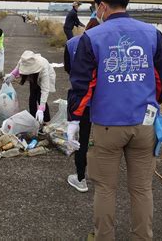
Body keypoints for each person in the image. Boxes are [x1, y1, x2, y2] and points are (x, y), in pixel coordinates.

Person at [67, 0, 162, 240]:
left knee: (105, 188)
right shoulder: (152, 33)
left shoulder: (92, 37)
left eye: (96, 7)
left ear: (102, 5)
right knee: (142, 189)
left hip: (107, 125)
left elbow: (82, 84)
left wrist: (74, 119)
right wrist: (151, 99)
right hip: (145, 124)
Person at [64, 15, 99, 193]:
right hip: (103, 101)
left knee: (82, 140)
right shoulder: (105, 44)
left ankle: (80, 177)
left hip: (82, 100)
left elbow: (69, 69)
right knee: (104, 142)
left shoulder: (72, 44)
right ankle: (103, 180)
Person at [5, 50, 56, 124]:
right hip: (34, 78)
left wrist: (41, 108)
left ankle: (47, 120)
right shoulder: (24, 60)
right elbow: (18, 68)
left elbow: (45, 89)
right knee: (32, 97)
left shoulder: (43, 67)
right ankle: (33, 119)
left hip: (43, 77)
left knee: (40, 97)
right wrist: (12, 75)